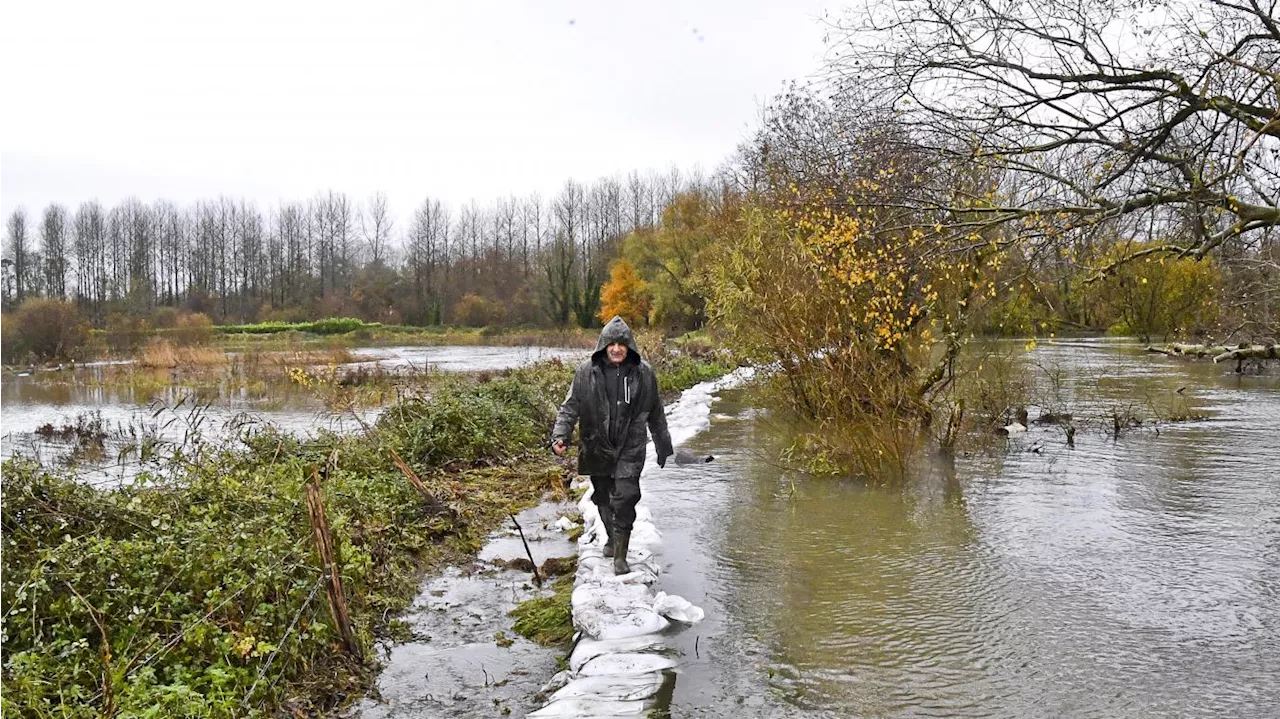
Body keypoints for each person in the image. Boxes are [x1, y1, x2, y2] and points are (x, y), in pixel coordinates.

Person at [552, 316, 673, 574]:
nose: (616, 349)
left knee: (626, 498)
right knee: (603, 496)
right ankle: (611, 537)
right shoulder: (586, 372)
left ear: (629, 345)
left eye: (621, 343)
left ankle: (620, 556)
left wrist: (664, 445)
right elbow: (570, 406)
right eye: (611, 343)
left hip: (631, 445)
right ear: (603, 345)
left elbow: (656, 412)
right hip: (596, 444)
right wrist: (560, 435)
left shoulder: (644, 373)